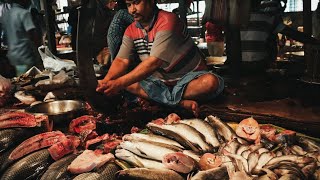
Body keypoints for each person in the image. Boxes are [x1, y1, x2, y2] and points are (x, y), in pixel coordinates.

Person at [96, 0, 224, 116]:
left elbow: (154, 62)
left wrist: (118, 84)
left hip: (189, 80)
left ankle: (164, 100)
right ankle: (178, 102)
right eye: (129, 5)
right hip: (160, 83)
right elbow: (121, 60)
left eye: (136, 3)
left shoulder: (168, 20)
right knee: (125, 82)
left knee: (210, 83)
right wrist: (107, 82)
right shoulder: (131, 30)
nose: (132, 10)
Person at [2, 0, 43, 76]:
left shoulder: (6, 15)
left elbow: (5, 36)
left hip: (12, 57)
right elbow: (32, 35)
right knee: (31, 80)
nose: (29, 2)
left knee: (21, 80)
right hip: (25, 55)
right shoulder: (24, 13)